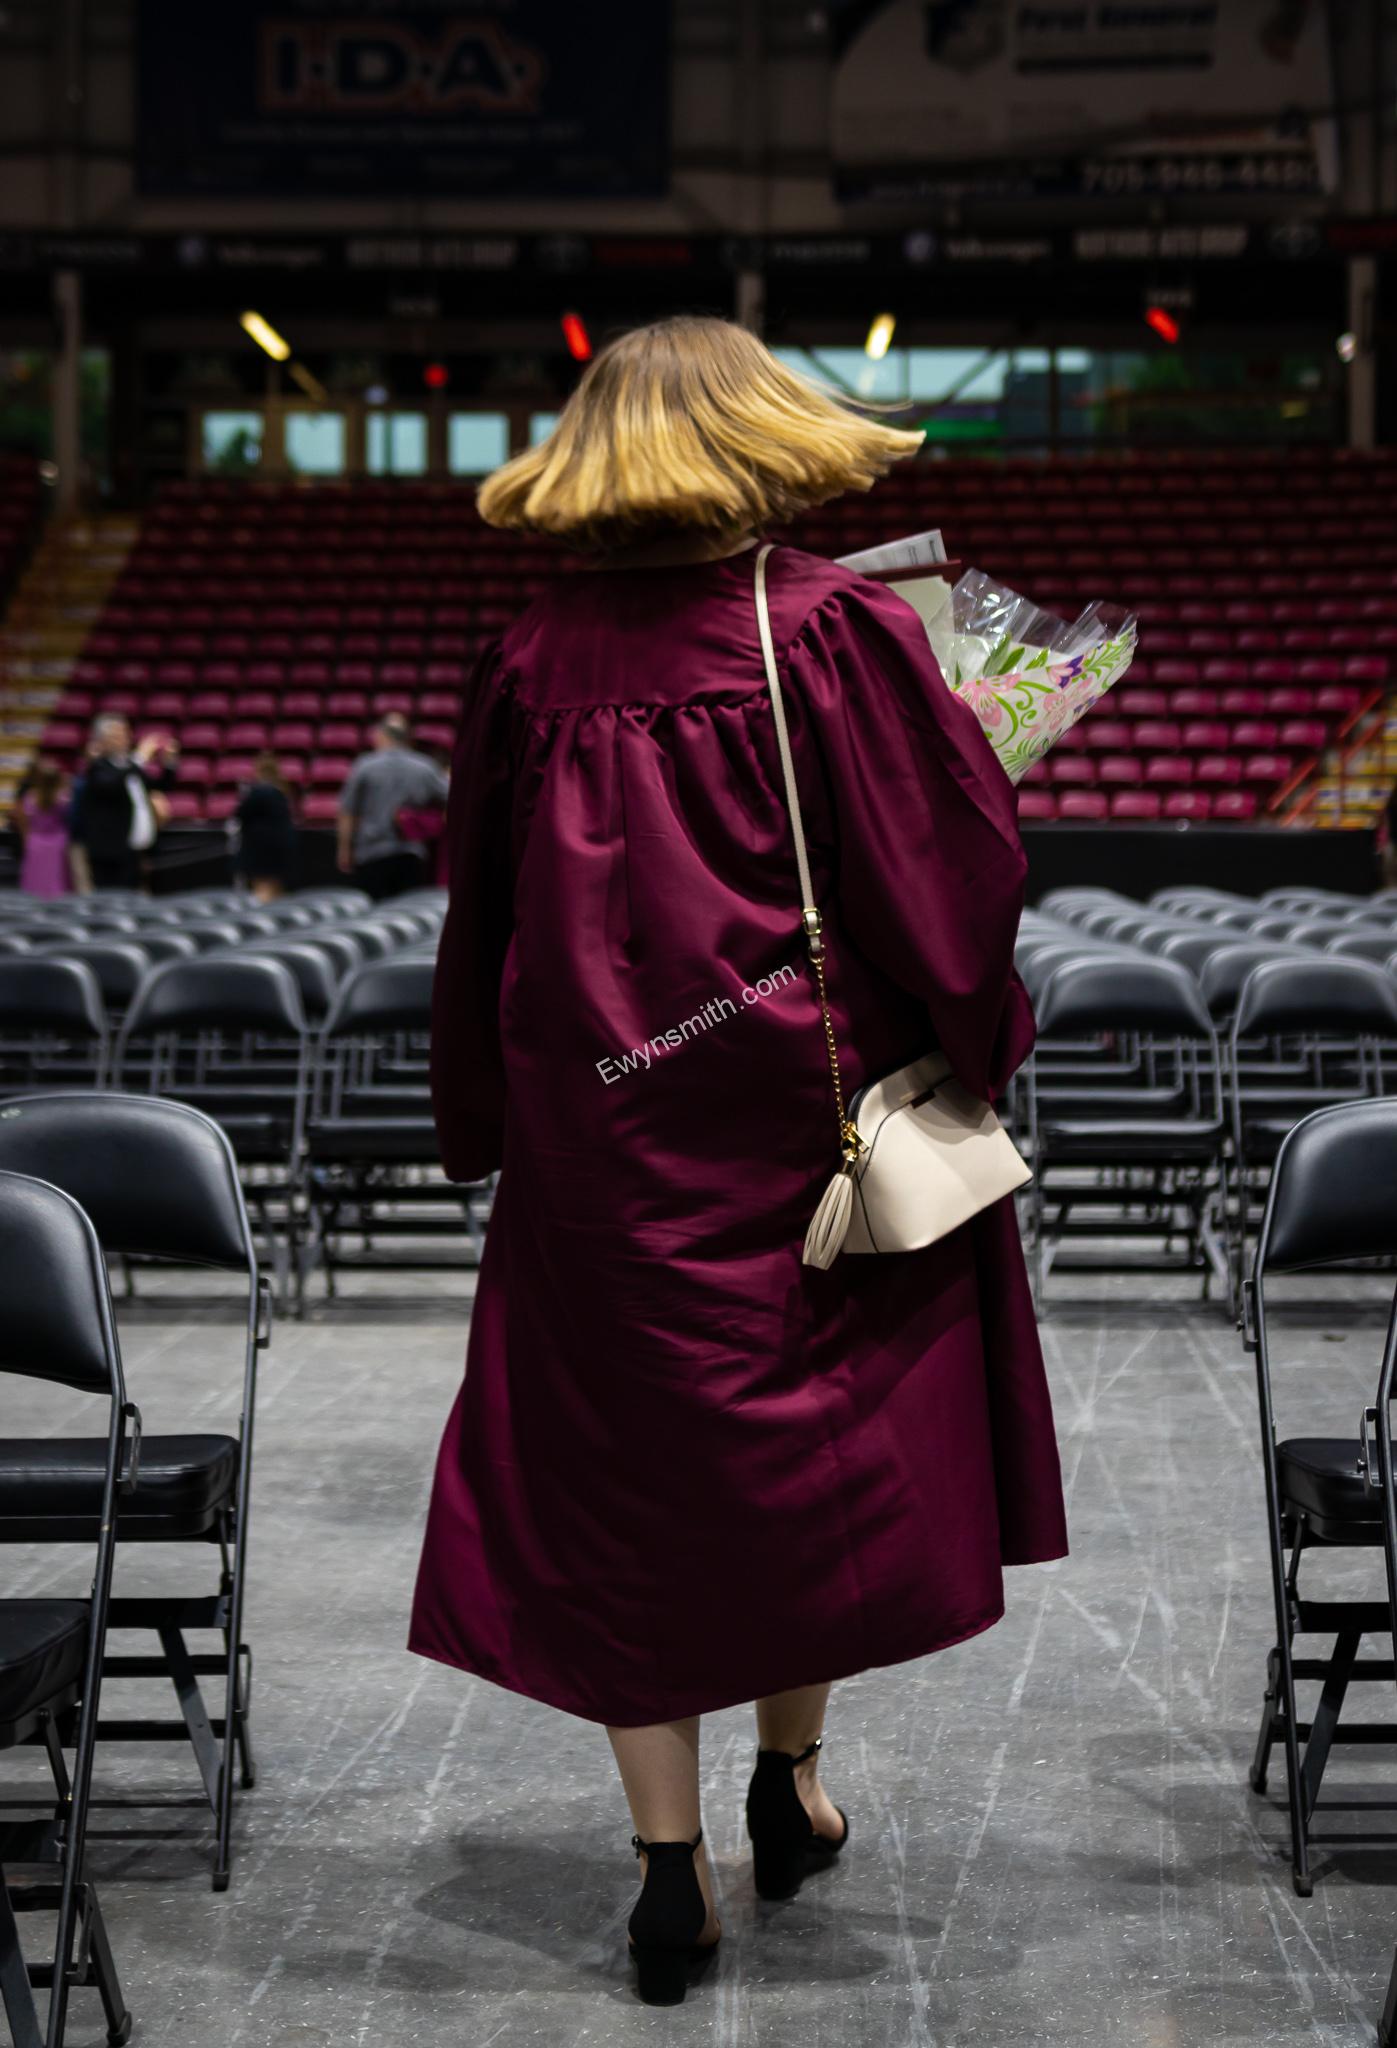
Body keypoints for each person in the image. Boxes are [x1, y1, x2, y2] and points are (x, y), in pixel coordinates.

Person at [409, 316, 1068, 2006]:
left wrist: (486, 1113)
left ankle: (665, 1870)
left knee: (629, 1500)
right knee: (802, 1478)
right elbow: (942, 889)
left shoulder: (525, 660)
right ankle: (787, 1784)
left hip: (596, 1161)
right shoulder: (834, 631)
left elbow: (476, 919)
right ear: (761, 436)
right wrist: (976, 1010)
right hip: (794, 1135)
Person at [336, 713, 448, 901]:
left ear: (382, 736)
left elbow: (348, 811)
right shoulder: (425, 766)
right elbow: (451, 798)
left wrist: (344, 850)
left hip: (372, 852)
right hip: (411, 851)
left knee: (372, 914)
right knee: (408, 914)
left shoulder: (364, 766)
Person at [78, 714, 178, 890]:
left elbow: (159, 786)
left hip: (135, 852)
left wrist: (169, 762)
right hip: (110, 853)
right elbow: (111, 786)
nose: (124, 739)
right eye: (116, 735)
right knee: (112, 897)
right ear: (102, 741)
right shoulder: (99, 767)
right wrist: (139, 758)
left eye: (125, 733)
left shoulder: (129, 767)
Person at [235, 752, 298, 901]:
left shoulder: (259, 792)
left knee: (263, 888)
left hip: (261, 850)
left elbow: (240, 814)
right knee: (277, 888)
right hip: (280, 848)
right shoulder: (281, 791)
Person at [12, 757, 72, 897]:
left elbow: (22, 821)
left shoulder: (30, 797)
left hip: (36, 841)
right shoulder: (63, 797)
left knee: (36, 881)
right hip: (57, 842)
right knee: (56, 881)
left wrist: (27, 837)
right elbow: (70, 819)